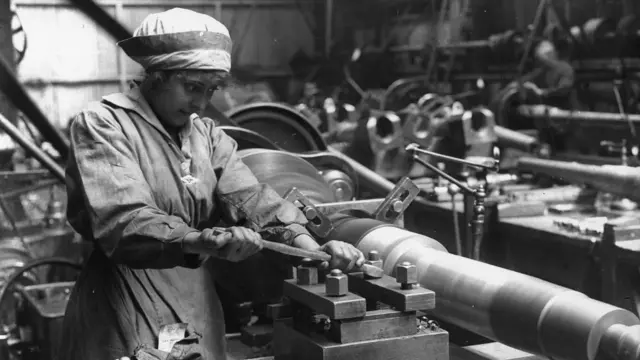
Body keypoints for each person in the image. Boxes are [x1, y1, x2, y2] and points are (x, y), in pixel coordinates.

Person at [58, 8, 365, 360]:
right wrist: (198, 240)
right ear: (156, 75)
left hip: (195, 298)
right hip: (125, 295)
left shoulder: (206, 136)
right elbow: (123, 220)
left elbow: (253, 199)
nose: (201, 103)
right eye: (192, 88)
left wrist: (312, 246)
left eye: (211, 90)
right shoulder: (104, 125)